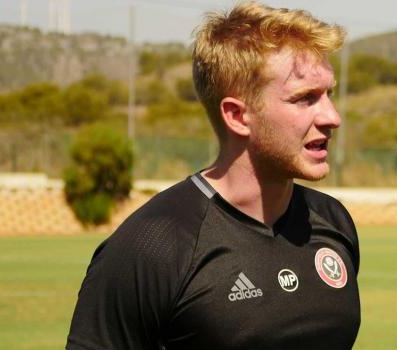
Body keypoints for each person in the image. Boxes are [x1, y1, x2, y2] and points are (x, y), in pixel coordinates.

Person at [66, 2, 360, 349]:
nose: (332, 116)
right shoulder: (152, 248)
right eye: (305, 98)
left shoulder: (332, 222)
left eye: (329, 94)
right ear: (237, 115)